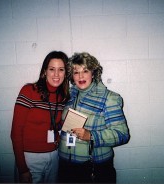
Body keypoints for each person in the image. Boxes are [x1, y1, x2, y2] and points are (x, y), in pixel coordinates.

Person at [58, 52, 130, 183]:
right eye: (76, 72)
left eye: (85, 71)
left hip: (93, 168)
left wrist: (91, 136)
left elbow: (122, 134)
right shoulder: (69, 97)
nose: (80, 76)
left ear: (93, 73)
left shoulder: (109, 98)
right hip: (66, 166)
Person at [11, 51, 70, 183]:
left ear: (65, 73)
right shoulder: (29, 91)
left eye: (61, 70)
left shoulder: (63, 97)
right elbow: (16, 132)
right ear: (45, 71)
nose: (56, 74)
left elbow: (58, 126)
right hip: (31, 159)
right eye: (52, 69)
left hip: (54, 156)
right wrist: (22, 168)